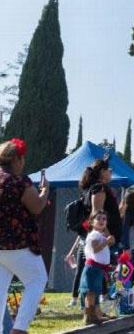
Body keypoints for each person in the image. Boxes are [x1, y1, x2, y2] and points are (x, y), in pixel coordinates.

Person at [0, 139, 49, 334]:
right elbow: (37, 206)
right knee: (37, 280)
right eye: (22, 158)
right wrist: (45, 190)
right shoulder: (20, 182)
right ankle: (19, 330)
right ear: (16, 160)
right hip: (18, 244)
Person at [71, 159, 122, 306]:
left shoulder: (99, 187)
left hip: (103, 238)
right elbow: (96, 213)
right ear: (101, 172)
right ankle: (88, 306)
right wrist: (106, 236)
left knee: (97, 272)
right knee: (94, 273)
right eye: (108, 169)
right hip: (101, 239)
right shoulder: (99, 188)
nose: (111, 172)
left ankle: (93, 306)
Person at [79, 211, 114, 325]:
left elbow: (112, 241)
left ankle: (97, 314)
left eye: (104, 219)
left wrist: (107, 239)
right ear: (92, 222)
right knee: (91, 292)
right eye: (99, 219)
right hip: (92, 268)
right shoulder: (94, 234)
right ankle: (89, 316)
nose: (102, 221)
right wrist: (106, 242)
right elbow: (95, 249)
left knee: (95, 291)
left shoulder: (101, 234)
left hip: (98, 269)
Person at [119, 186, 134, 251]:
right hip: (129, 243)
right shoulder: (130, 212)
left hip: (127, 242)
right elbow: (126, 229)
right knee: (129, 259)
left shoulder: (127, 210)